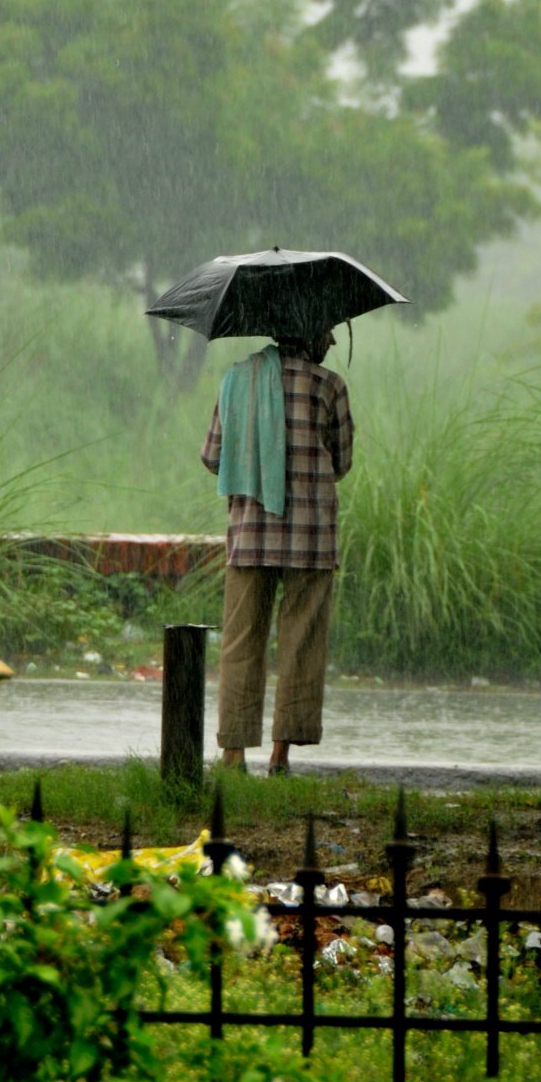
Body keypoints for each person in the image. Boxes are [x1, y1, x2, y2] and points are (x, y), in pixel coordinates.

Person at [200, 327, 354, 776]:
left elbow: (213, 456)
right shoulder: (329, 385)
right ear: (308, 333)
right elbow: (342, 462)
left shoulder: (237, 378)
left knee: (241, 641)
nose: (331, 340)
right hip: (310, 536)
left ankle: (233, 754)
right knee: (301, 641)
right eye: (326, 330)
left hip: (251, 533)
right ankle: (280, 755)